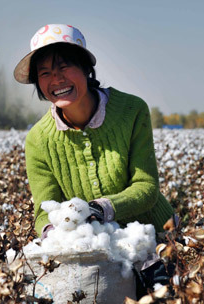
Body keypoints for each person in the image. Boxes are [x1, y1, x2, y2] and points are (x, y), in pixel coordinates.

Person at [14, 24, 174, 239]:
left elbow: (145, 187)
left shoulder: (131, 111)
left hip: (156, 235)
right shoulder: (38, 139)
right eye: (45, 73)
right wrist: (54, 234)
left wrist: (100, 209)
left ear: (85, 68)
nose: (57, 79)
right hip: (97, 245)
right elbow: (44, 211)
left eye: (64, 67)